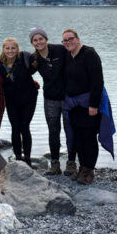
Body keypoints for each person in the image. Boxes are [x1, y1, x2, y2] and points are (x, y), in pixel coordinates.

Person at [62, 29, 115, 184]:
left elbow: (97, 81)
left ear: (78, 39)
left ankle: (89, 171)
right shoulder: (69, 56)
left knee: (89, 138)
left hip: (88, 105)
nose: (68, 42)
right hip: (74, 105)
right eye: (64, 41)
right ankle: (82, 168)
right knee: (78, 138)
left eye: (70, 39)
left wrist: (93, 105)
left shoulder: (89, 54)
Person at [29, 27, 76, 176]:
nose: (38, 42)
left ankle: (71, 162)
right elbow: (24, 73)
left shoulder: (60, 50)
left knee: (71, 129)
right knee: (53, 131)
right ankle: (54, 164)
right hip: (50, 99)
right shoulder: (34, 59)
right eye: (35, 40)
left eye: (41, 39)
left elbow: (76, 63)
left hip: (67, 97)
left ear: (46, 39)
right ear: (32, 43)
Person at [0, 38, 38, 166]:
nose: (10, 51)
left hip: (29, 99)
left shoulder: (25, 59)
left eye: (13, 48)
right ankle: (18, 158)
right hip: (11, 100)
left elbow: (39, 62)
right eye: (7, 48)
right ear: (3, 49)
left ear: (17, 49)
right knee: (15, 127)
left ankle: (28, 158)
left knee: (25, 126)